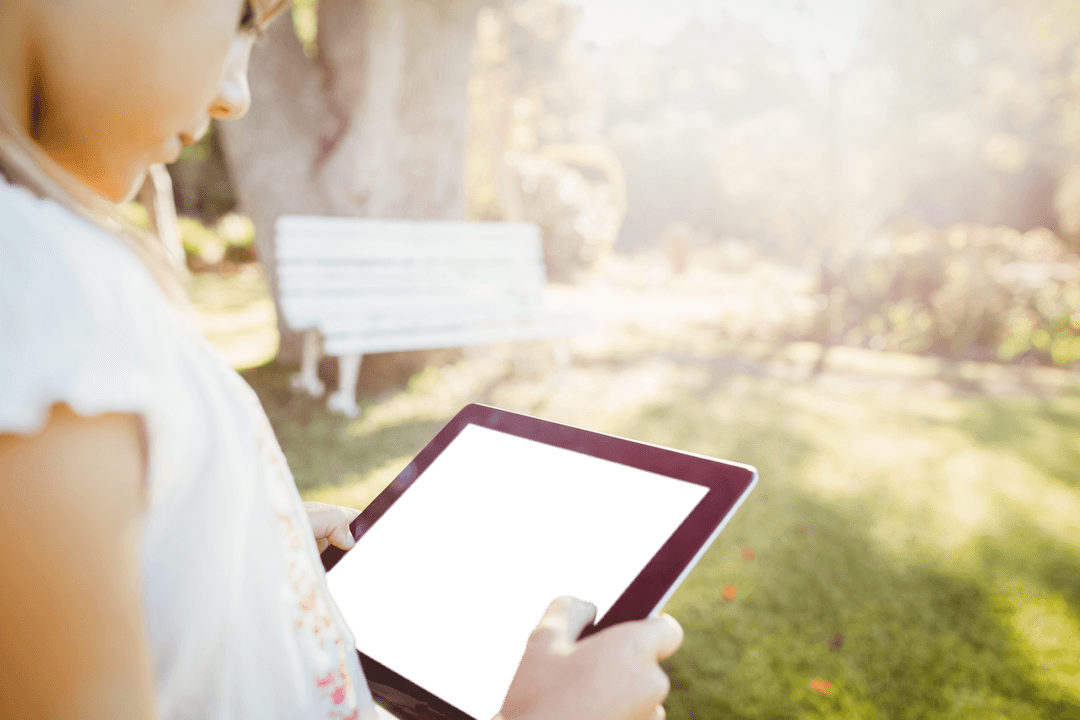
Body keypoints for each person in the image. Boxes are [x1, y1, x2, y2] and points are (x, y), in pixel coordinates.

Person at [0, 1, 685, 719]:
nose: (236, 94)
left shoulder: (51, 274)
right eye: (241, 17)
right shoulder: (45, 294)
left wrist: (251, 532)